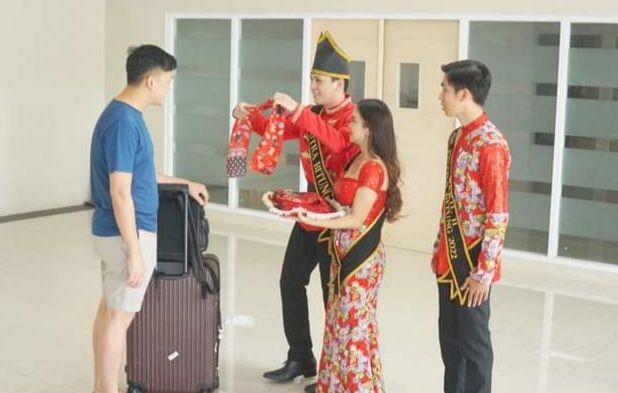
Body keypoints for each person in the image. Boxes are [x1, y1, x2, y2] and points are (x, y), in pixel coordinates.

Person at [232, 31, 359, 384]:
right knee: (290, 282)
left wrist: (300, 111)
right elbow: (275, 127)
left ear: (339, 83)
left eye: (319, 81)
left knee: (330, 297)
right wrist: (245, 114)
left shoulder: (354, 118)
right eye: (312, 80)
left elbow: (336, 144)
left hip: (339, 221)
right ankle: (301, 357)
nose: (314, 87)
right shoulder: (312, 114)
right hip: (309, 215)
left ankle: (333, 371)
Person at [89, 44, 209, 393]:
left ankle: (102, 386)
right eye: (169, 81)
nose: (169, 88)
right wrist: (136, 252)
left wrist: (187, 184)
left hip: (118, 232)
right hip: (126, 233)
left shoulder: (124, 116)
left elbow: (144, 175)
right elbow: (120, 191)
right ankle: (107, 388)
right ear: (151, 80)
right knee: (118, 317)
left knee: (110, 310)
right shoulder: (124, 122)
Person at [297, 99, 402, 393]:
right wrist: (312, 205)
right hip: (340, 255)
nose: (348, 124)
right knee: (337, 326)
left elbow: (356, 218)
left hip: (360, 261)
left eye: (354, 121)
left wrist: (314, 219)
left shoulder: (373, 169)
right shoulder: (355, 159)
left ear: (369, 129)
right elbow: (343, 204)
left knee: (354, 330)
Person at [432, 59, 511, 393]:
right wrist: (439, 244)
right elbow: (452, 198)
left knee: (475, 344)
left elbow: (497, 214)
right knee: (450, 340)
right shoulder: (456, 138)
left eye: (445, 89)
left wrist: (483, 272)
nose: (440, 95)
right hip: (449, 257)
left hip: (474, 259)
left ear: (463, 94)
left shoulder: (491, 145)